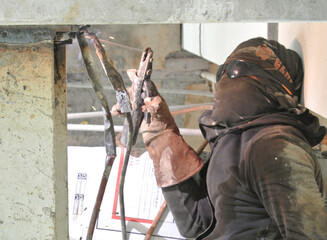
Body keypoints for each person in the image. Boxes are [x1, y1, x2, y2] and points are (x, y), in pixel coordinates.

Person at [135, 37, 327, 239]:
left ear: (273, 84)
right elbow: (196, 223)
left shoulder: (274, 145)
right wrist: (159, 132)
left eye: (236, 70)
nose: (225, 80)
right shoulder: (231, 141)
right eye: (222, 72)